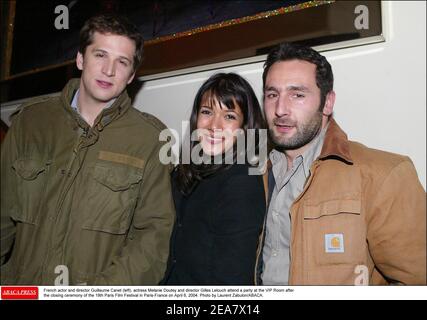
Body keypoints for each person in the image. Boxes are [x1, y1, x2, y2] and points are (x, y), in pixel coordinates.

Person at [0, 14, 175, 285]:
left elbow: (151, 242)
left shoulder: (150, 140)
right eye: (100, 55)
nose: (109, 70)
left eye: (122, 62)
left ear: (131, 76)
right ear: (80, 59)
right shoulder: (29, 123)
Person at [256, 42, 426, 285]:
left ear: (327, 103)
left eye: (297, 94)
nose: (280, 109)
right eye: (272, 94)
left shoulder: (383, 175)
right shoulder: (256, 173)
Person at [162, 73, 267, 285]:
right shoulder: (183, 173)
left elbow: (233, 278)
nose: (214, 125)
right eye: (207, 112)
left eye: (229, 116)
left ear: (245, 127)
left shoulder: (242, 182)